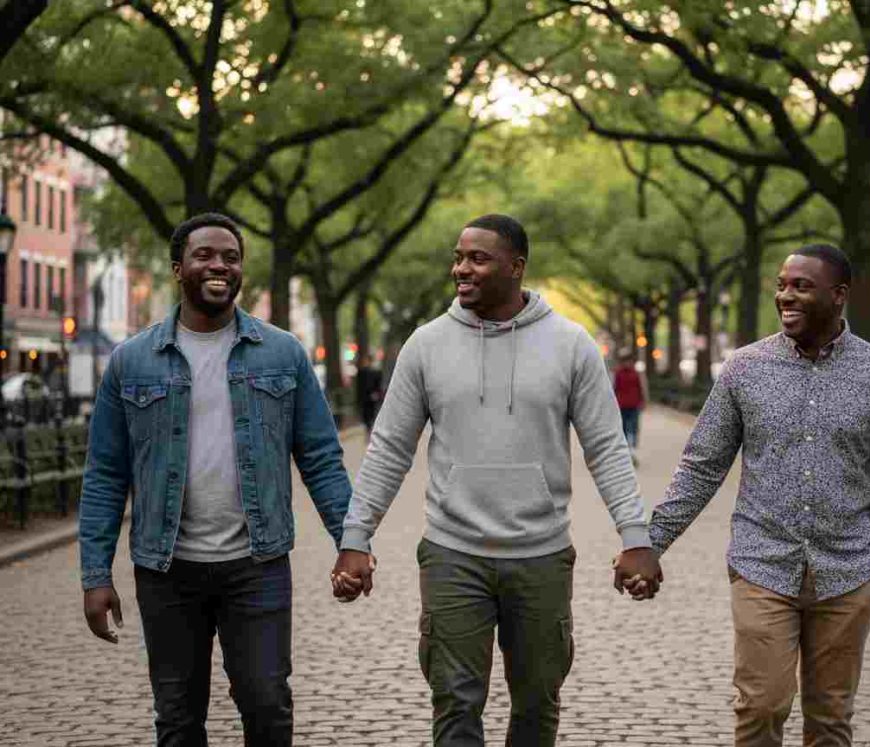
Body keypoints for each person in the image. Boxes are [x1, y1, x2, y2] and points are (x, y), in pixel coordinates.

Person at [333, 214, 662, 747]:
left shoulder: (571, 345)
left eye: (478, 259)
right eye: (459, 257)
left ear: (516, 266)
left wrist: (636, 537)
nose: (461, 269)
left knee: (537, 703)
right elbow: (390, 447)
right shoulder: (425, 345)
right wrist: (355, 537)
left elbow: (606, 448)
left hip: (541, 556)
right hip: (452, 553)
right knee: (455, 702)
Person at [78, 212, 354, 746]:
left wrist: (352, 542)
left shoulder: (283, 353)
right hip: (166, 569)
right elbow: (105, 476)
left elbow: (321, 457)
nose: (219, 266)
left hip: (257, 564)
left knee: (267, 703)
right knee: (177, 716)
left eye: (230, 257)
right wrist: (95, 575)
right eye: (204, 255)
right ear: (177, 268)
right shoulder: (131, 362)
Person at [633, 244, 870, 746]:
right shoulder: (745, 369)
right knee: (761, 705)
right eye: (781, 285)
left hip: (849, 572)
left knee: (830, 718)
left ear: (839, 296)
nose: (785, 296)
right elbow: (702, 466)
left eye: (801, 287)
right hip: (762, 564)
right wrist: (650, 544)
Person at [613, 349, 645, 462]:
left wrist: (642, 401)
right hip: (623, 405)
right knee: (626, 428)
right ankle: (628, 451)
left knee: (632, 428)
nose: (627, 363)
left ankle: (631, 450)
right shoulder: (620, 374)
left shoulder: (633, 373)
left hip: (632, 405)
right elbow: (615, 389)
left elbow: (640, 388)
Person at [354, 353, 383, 431]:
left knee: (369, 412)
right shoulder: (363, 372)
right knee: (368, 413)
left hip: (369, 396)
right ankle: (369, 426)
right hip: (367, 396)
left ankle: (369, 426)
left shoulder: (373, 372)